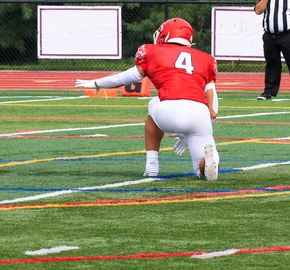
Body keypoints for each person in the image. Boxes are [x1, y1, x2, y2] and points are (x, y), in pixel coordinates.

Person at [75, 18, 220, 181]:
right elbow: (212, 94)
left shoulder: (152, 51)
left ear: (165, 34)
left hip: (169, 109)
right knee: (202, 169)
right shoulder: (207, 59)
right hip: (199, 112)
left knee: (153, 104)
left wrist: (97, 83)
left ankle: (152, 166)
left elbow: (125, 78)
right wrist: (210, 118)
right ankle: (208, 161)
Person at [255, 0, 290, 101]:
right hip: (270, 35)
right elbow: (258, 10)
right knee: (271, 64)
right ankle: (269, 91)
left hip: (288, 34)